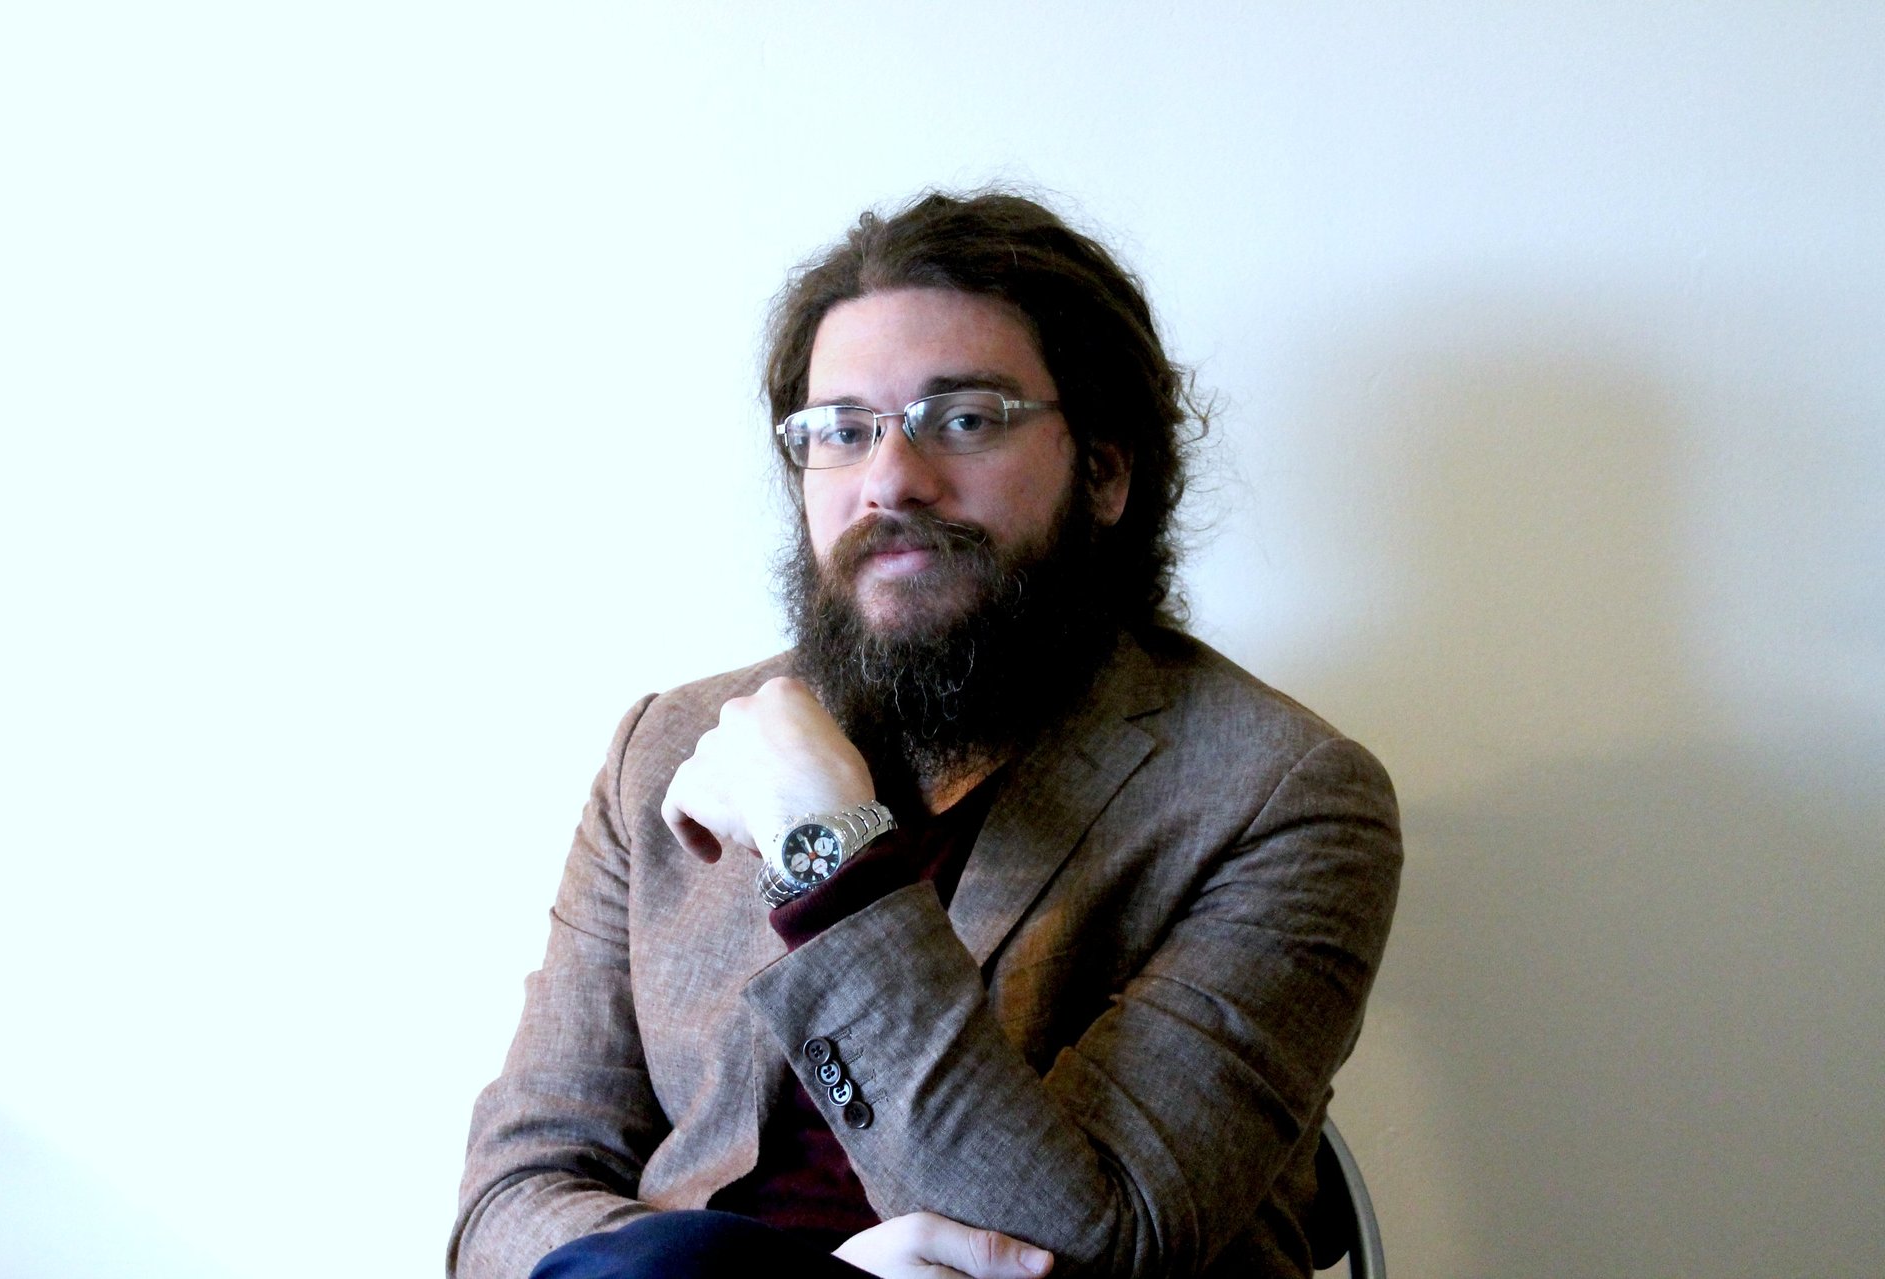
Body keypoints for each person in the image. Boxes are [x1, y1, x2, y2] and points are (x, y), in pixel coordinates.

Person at [448, 191, 1402, 1279]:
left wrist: (827, 854)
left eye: (966, 419)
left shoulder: (1283, 795)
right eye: (842, 431)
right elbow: (506, 1201)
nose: (890, 480)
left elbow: (1093, 1248)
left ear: (1104, 469)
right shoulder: (668, 750)